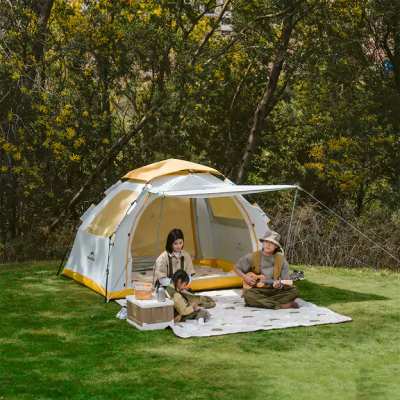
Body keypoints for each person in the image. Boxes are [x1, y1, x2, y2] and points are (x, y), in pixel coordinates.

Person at [234, 232, 299, 309]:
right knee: (248, 294)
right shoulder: (253, 256)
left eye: (272, 243)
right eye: (266, 241)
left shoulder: (281, 260)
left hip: (274, 290)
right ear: (263, 243)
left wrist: (280, 285)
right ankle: (281, 305)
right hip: (256, 290)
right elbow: (236, 268)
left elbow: (285, 281)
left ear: (276, 246)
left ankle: (261, 302)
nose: (268, 245)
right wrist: (245, 277)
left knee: (294, 291)